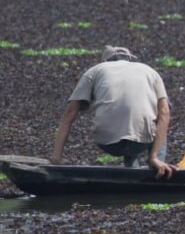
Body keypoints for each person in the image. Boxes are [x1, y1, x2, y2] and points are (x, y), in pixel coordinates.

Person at [51, 46, 177, 178]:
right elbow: (165, 112)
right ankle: (156, 163)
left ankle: (132, 170)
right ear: (130, 59)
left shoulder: (94, 70)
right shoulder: (150, 71)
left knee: (131, 126)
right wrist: (153, 156)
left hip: (108, 143)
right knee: (155, 120)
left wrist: (56, 158)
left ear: (105, 61)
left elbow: (69, 114)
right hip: (140, 142)